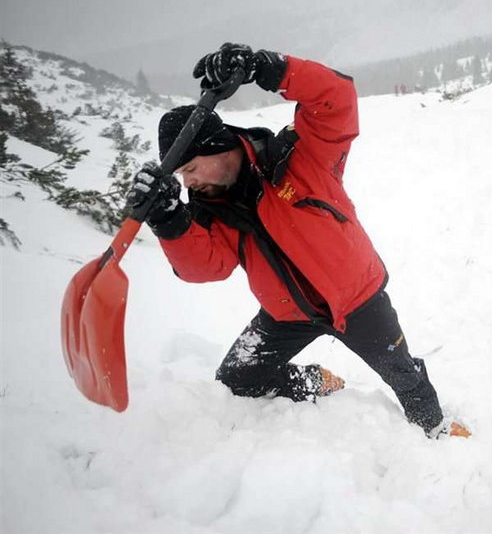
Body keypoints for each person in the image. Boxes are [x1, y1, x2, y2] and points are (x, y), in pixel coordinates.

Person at [127, 43, 469, 439]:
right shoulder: (209, 208)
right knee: (236, 380)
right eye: (182, 176)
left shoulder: (300, 155)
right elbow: (206, 267)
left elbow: (336, 98)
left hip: (355, 298)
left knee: (403, 376)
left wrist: (268, 68)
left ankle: (437, 429)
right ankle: (315, 382)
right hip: (286, 312)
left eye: (190, 168)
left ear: (218, 149)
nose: (188, 182)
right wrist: (169, 220)